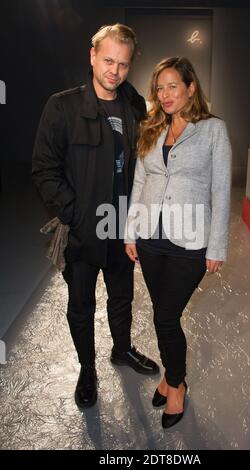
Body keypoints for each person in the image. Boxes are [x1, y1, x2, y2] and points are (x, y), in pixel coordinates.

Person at [32, 24, 159, 410]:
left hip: (122, 227)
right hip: (84, 231)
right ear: (92, 56)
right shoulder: (63, 106)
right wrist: (77, 215)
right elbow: (44, 170)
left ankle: (121, 350)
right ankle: (87, 369)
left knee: (122, 296)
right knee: (81, 304)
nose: (114, 71)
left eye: (122, 64)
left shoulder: (135, 105)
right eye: (108, 60)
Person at [125, 57, 232, 429]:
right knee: (161, 313)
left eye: (173, 86)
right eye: (160, 87)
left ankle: (177, 385)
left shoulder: (213, 130)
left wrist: (217, 247)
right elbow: (140, 182)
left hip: (190, 241)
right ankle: (171, 377)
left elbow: (221, 190)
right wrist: (131, 231)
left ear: (190, 87)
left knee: (167, 317)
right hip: (152, 239)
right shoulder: (151, 127)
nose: (166, 94)